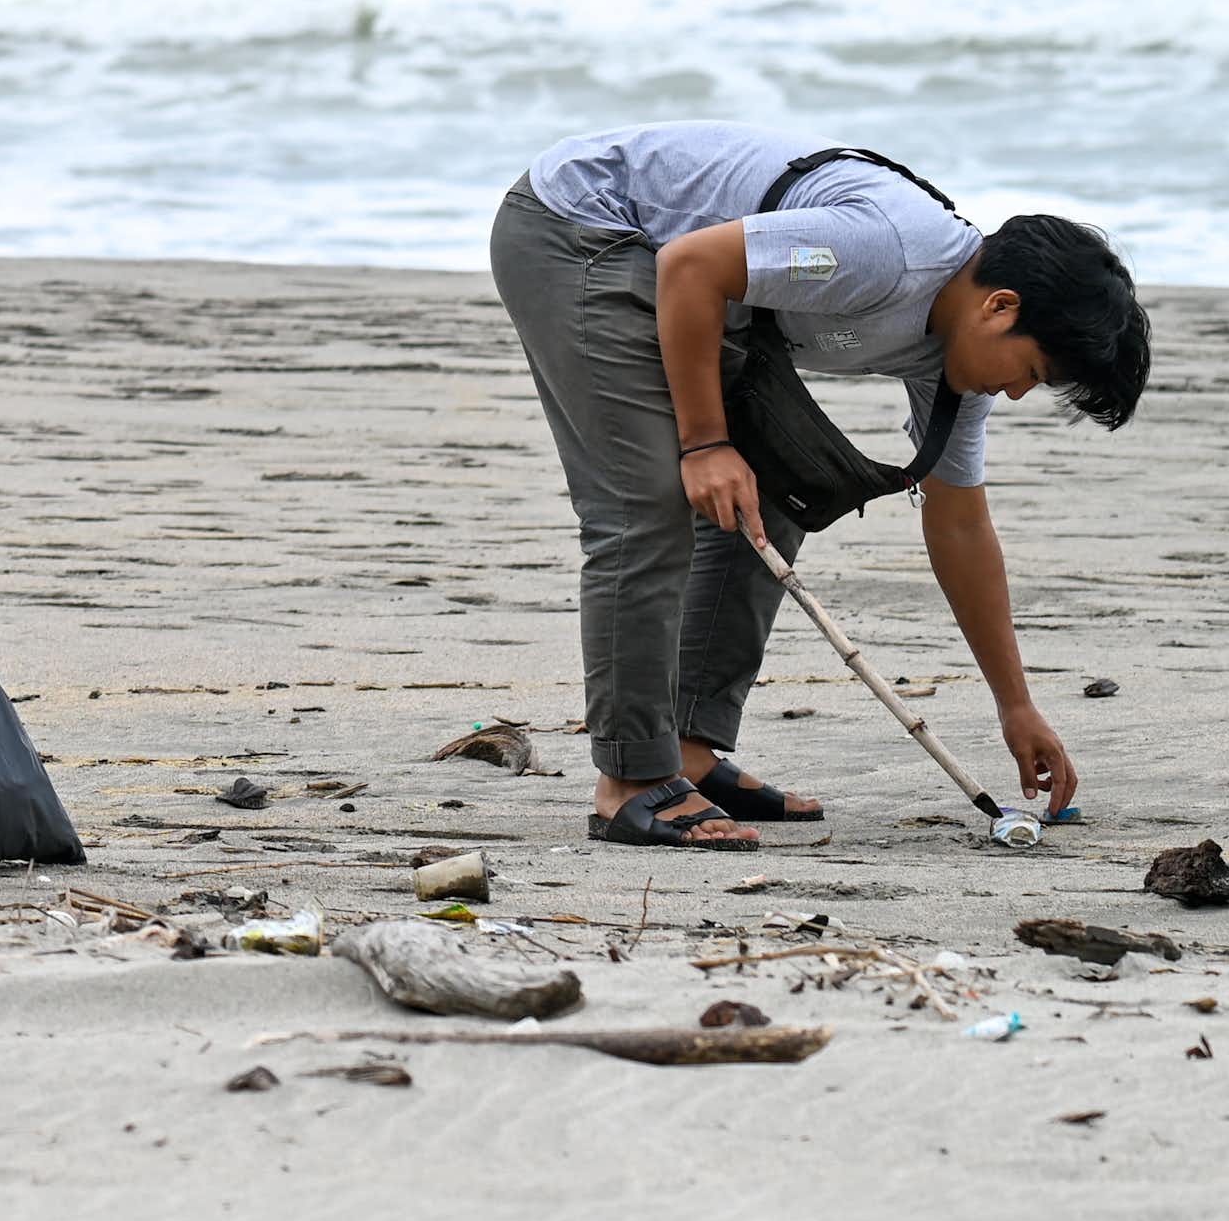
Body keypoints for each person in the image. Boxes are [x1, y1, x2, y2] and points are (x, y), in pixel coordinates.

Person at [490, 123, 1149, 849]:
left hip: (686, 278)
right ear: (1000, 307)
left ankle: (687, 750)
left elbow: (961, 524)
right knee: (645, 503)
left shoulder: (956, 374)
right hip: (582, 225)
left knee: (775, 490)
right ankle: (632, 780)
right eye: (1032, 372)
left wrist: (1015, 706)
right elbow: (693, 264)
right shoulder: (882, 254)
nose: (1018, 392)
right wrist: (705, 443)